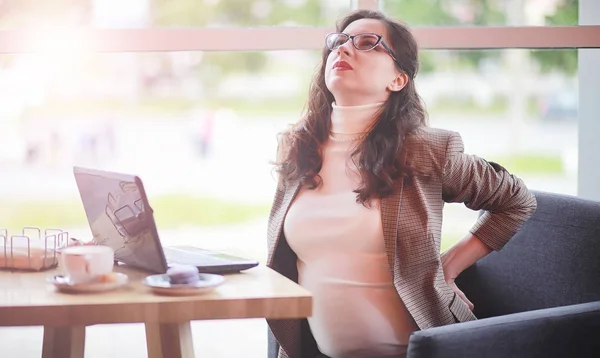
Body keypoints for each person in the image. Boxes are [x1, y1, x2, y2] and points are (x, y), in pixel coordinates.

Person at [266, 9, 537, 358]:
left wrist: (448, 265)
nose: (343, 50)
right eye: (338, 43)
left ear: (398, 79)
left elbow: (517, 201)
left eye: (367, 43)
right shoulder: (298, 146)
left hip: (421, 349)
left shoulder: (426, 150)